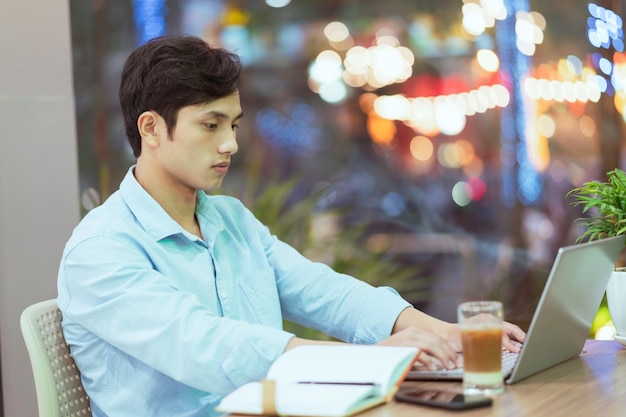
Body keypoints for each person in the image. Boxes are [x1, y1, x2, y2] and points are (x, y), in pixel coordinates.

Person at [57, 35, 525, 417]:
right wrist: (369, 362)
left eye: (234, 126)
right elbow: (206, 345)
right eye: (210, 125)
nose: (230, 145)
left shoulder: (229, 220)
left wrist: (438, 331)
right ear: (151, 129)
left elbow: (322, 291)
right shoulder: (101, 250)